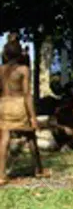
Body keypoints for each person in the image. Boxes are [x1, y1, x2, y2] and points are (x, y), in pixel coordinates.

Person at [0, 39, 47, 184]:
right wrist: (33, 117)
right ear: (19, 54)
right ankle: (38, 169)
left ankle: (1, 175)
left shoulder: (0, 70)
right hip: (19, 105)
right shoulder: (23, 70)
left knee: (4, 138)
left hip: (3, 104)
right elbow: (27, 94)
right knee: (31, 136)